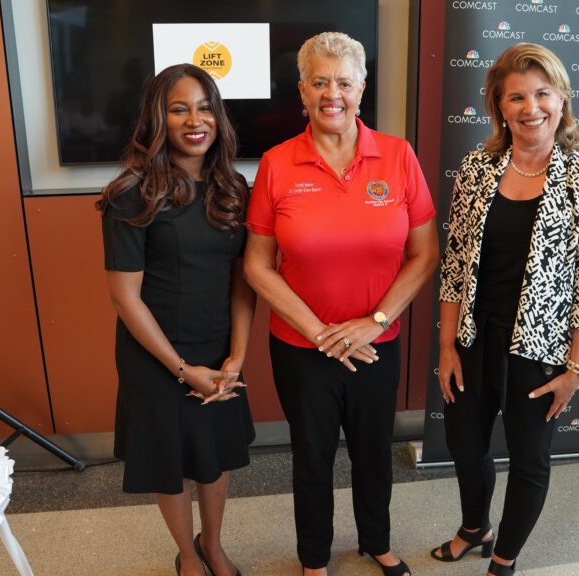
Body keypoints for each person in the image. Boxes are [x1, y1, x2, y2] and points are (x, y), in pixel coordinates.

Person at [243, 31, 438, 576]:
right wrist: (321, 331)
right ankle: (314, 560)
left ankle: (377, 541)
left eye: (345, 82)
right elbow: (257, 264)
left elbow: (424, 254)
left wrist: (372, 323)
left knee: (374, 454)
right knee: (312, 460)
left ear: (362, 88)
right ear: (302, 91)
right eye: (320, 82)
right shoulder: (278, 164)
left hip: (377, 344)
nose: (334, 93)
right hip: (301, 349)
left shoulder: (398, 157)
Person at [432, 43, 579, 576]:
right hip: (472, 337)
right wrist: (446, 346)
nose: (530, 107)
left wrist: (575, 370)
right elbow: (455, 265)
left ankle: (503, 560)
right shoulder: (475, 169)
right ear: (499, 107)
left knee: (530, 461)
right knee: (465, 447)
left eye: (541, 93)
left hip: (539, 349)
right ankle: (474, 528)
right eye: (516, 97)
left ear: (560, 101)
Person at [97, 63, 255, 576]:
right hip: (156, 354)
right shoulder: (131, 193)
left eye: (206, 107)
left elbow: (241, 282)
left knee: (215, 456)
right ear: (157, 118)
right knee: (171, 464)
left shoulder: (233, 187)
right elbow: (126, 299)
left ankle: (213, 544)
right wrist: (183, 369)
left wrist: (236, 355)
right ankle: (187, 554)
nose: (196, 120)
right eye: (179, 108)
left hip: (217, 347)